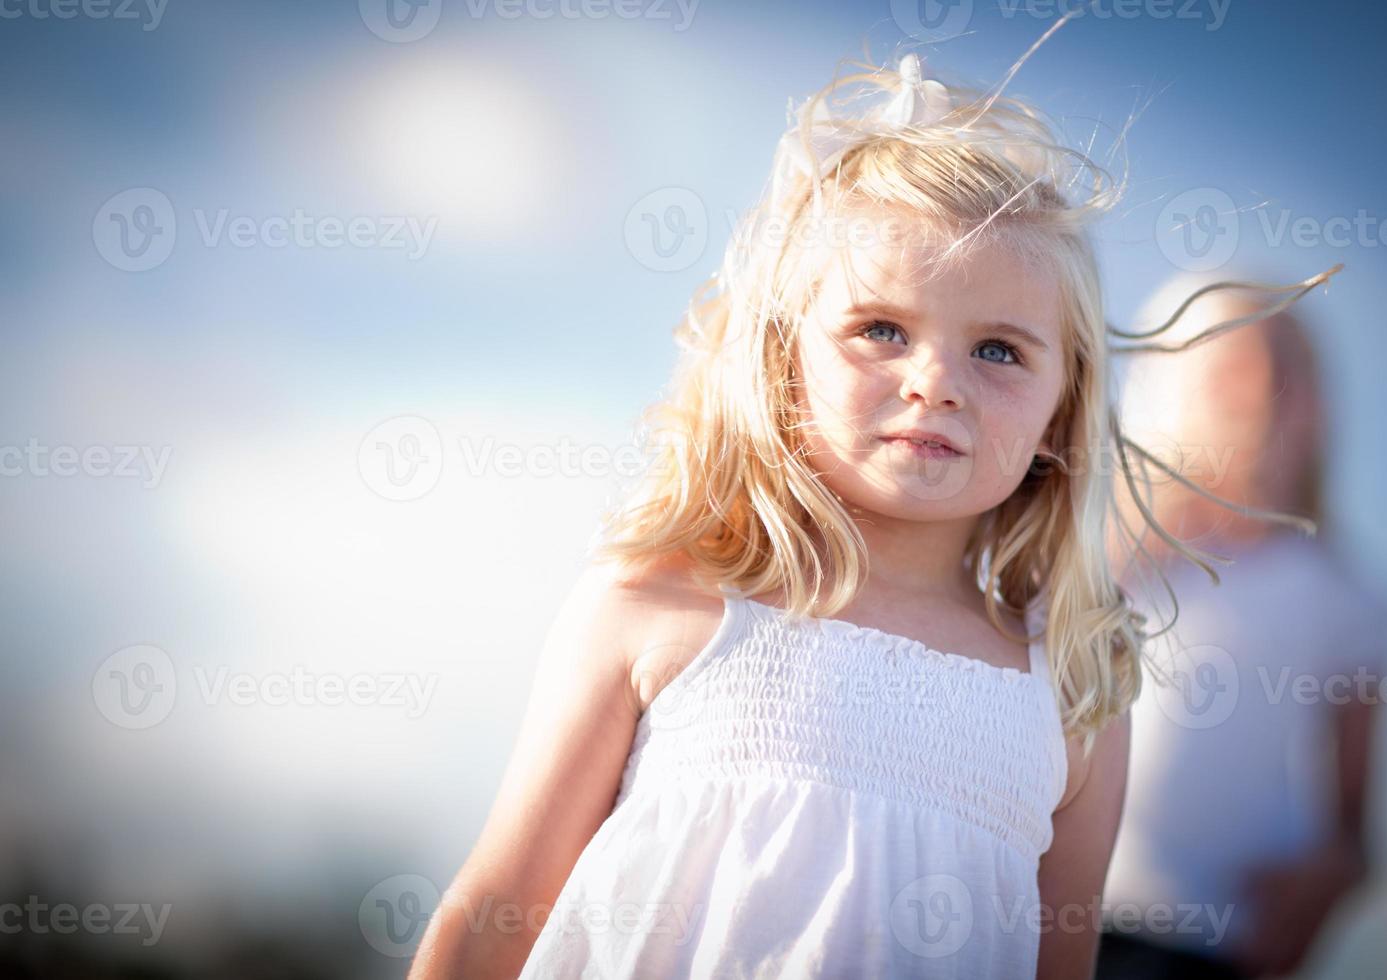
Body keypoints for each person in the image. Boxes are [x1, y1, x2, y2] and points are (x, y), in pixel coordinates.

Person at [407, 24, 1335, 979]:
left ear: (1064, 411)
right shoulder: (660, 603)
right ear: (783, 364)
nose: (936, 381)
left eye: (999, 350)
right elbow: (498, 907)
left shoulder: (1070, 691)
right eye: (881, 327)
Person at [1096, 272, 1387, 979]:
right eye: (1231, 371)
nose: (1261, 393)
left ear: (1320, 410)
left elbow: (1355, 827)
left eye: (1287, 373)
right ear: (1165, 399)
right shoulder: (1109, 568)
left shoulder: (1345, 600)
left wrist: (1329, 877)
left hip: (1221, 942)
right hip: (1070, 911)